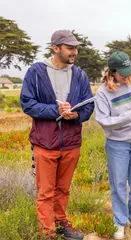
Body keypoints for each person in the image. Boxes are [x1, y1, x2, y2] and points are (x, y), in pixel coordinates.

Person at [20, 30, 94, 240]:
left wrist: (77, 114)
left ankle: (62, 226)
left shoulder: (80, 74)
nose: (75, 52)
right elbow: (27, 104)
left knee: (63, 189)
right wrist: (56, 112)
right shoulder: (36, 72)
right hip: (45, 143)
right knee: (46, 193)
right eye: (70, 48)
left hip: (71, 143)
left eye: (75, 48)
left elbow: (89, 105)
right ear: (55, 48)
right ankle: (47, 234)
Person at [94, 51, 131, 240]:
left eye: (129, 71)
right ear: (112, 72)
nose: (128, 75)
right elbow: (104, 121)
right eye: (123, 72)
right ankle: (119, 221)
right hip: (117, 144)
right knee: (119, 184)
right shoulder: (103, 93)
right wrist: (129, 116)